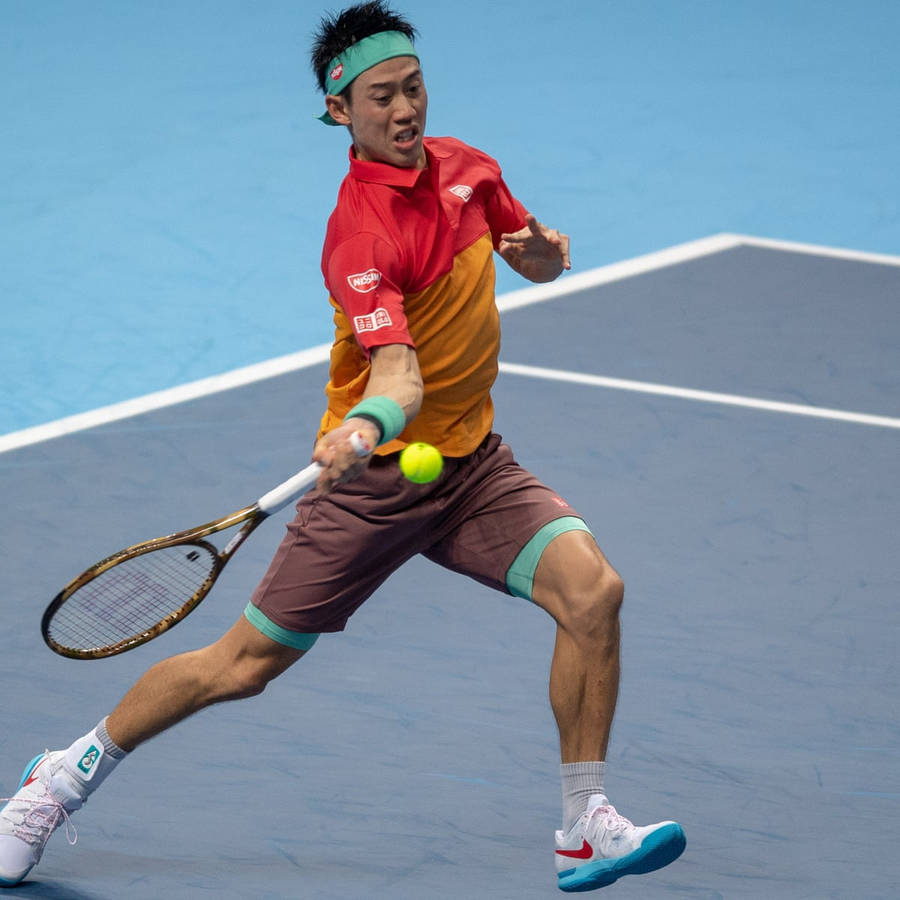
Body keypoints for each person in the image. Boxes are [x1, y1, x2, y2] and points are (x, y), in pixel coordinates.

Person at [0, 2, 685, 892]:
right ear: (339, 113)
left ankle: (584, 825)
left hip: (473, 467)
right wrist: (365, 426)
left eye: (414, 88)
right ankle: (57, 781)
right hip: (374, 485)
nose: (405, 111)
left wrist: (544, 254)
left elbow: (530, 255)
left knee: (594, 592)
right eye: (381, 98)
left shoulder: (471, 171)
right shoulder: (360, 236)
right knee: (240, 667)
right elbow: (397, 374)